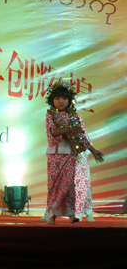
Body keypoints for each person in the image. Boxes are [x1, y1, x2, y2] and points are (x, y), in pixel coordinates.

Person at [43, 79, 104, 225]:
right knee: (55, 186)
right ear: (52, 100)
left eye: (64, 98)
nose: (61, 101)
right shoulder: (50, 115)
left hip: (72, 155)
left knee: (70, 187)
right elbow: (53, 132)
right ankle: (52, 216)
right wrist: (70, 129)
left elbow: (82, 136)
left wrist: (93, 151)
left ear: (70, 100)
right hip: (55, 156)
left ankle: (72, 215)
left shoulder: (75, 117)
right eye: (57, 98)